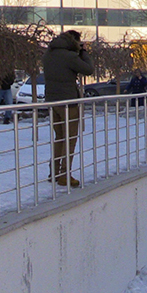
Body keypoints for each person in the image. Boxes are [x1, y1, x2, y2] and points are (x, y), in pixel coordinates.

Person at [43, 30, 94, 188]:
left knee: (59, 137)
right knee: (70, 139)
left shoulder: (48, 55)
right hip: (68, 103)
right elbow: (88, 69)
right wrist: (83, 52)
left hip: (52, 101)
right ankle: (65, 175)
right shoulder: (70, 56)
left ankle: (54, 172)